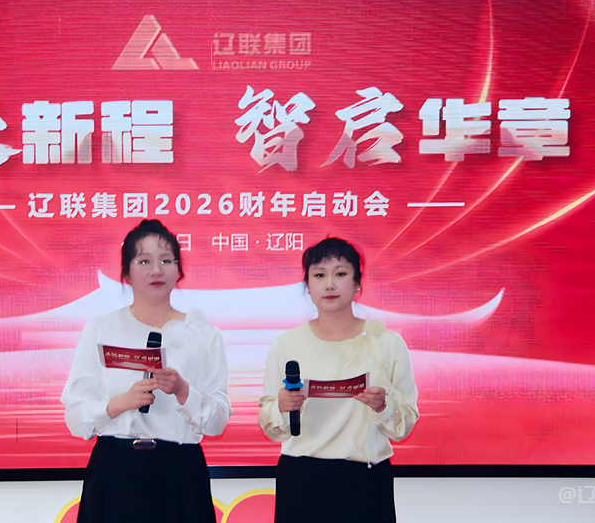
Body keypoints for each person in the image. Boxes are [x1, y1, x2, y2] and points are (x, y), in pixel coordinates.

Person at [61, 219, 231, 523]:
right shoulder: (101, 329)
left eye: (166, 260)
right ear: (126, 273)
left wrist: (183, 390)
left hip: (180, 472)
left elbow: (217, 422)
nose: (156, 270)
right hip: (116, 470)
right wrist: (121, 403)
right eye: (144, 261)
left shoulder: (204, 334)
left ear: (178, 270)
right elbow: (75, 417)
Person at [259, 237, 419, 523]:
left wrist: (384, 406)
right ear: (308, 285)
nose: (330, 284)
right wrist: (281, 406)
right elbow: (271, 427)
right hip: (302, 479)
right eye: (319, 275)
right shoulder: (286, 343)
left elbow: (405, 423)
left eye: (341, 273)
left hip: (366, 480)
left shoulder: (387, 343)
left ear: (357, 283)